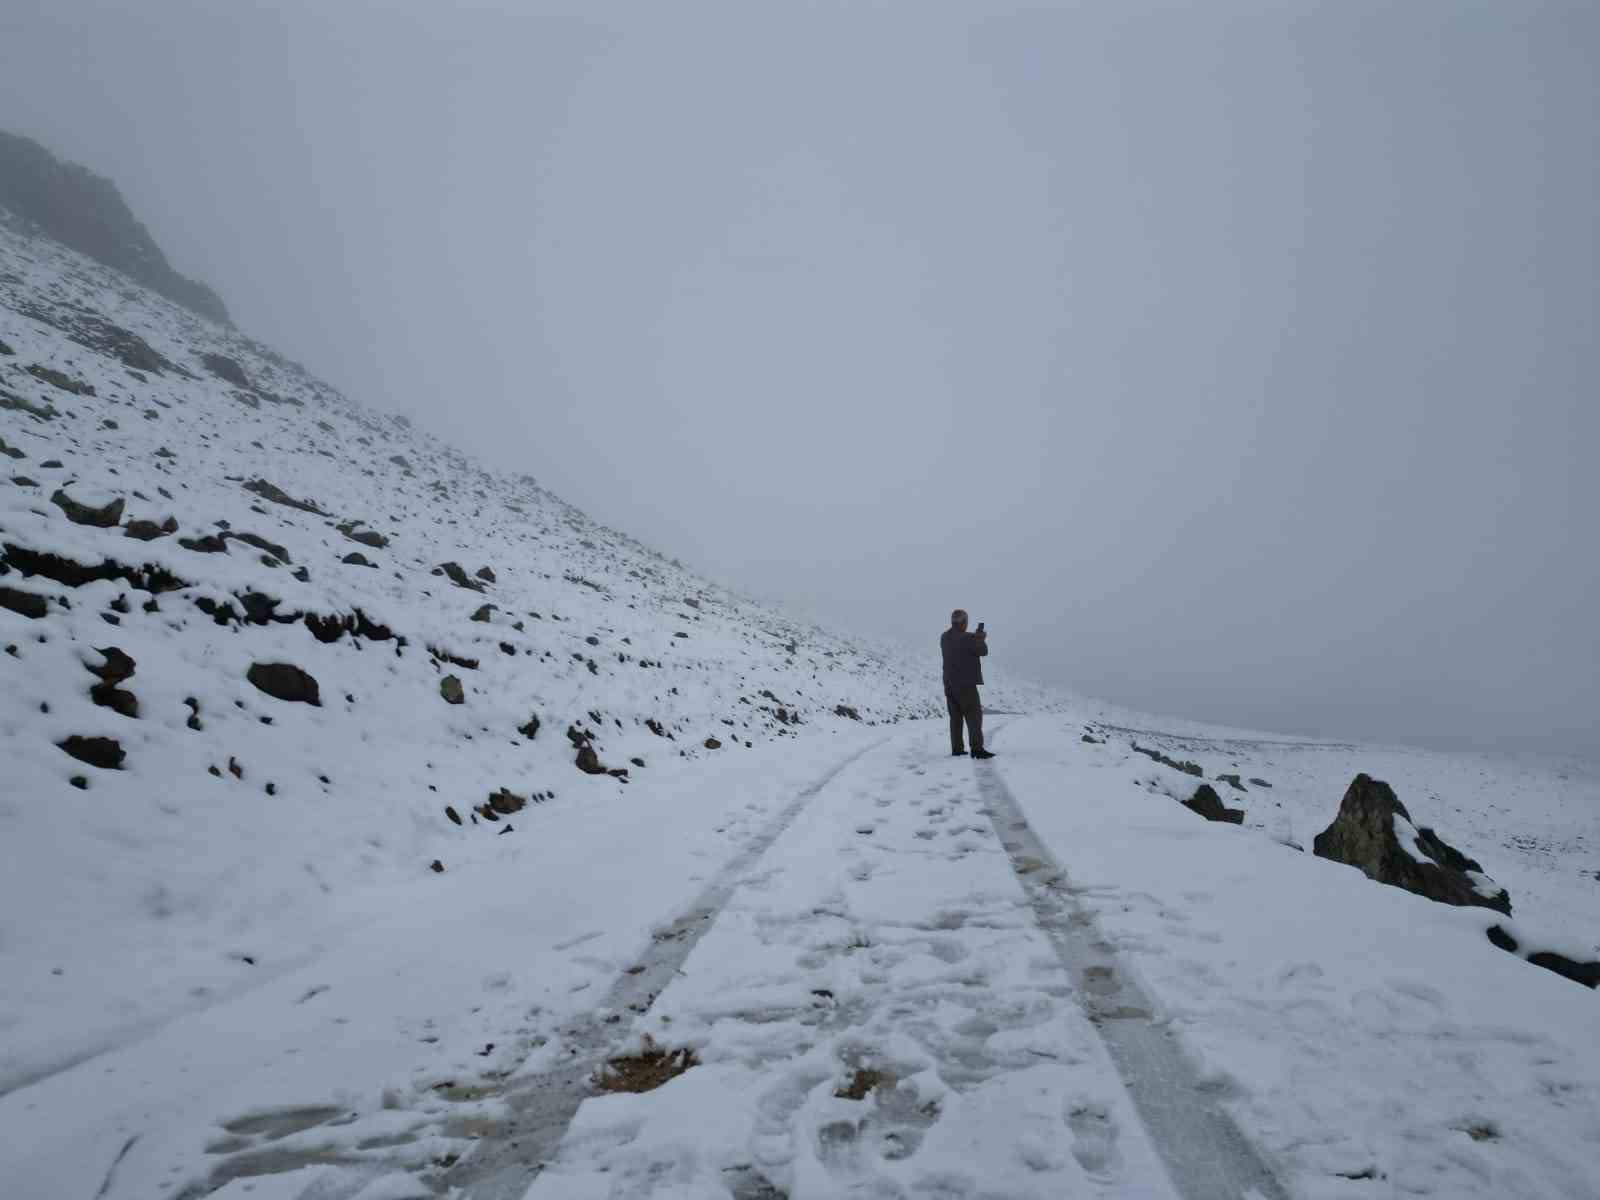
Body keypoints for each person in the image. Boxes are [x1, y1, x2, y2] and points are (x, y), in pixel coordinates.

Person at [940, 609, 992, 758]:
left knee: (955, 718)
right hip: (966, 684)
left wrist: (975, 638)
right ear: (963, 623)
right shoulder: (969, 638)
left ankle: (957, 748)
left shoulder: (944, 637)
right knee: (973, 716)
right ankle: (977, 749)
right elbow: (983, 651)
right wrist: (980, 638)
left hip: (949, 684)